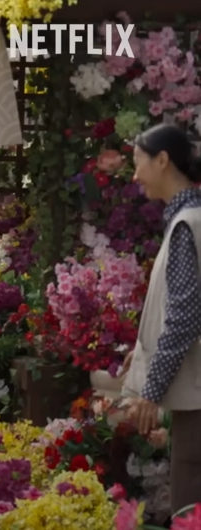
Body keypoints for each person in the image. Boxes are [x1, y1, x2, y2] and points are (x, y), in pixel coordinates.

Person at [122, 123, 201, 513]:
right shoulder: (188, 219)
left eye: (139, 162)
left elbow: (184, 317)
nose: (135, 176)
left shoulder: (188, 224)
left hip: (197, 400)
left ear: (163, 160)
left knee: (190, 506)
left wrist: (151, 392)